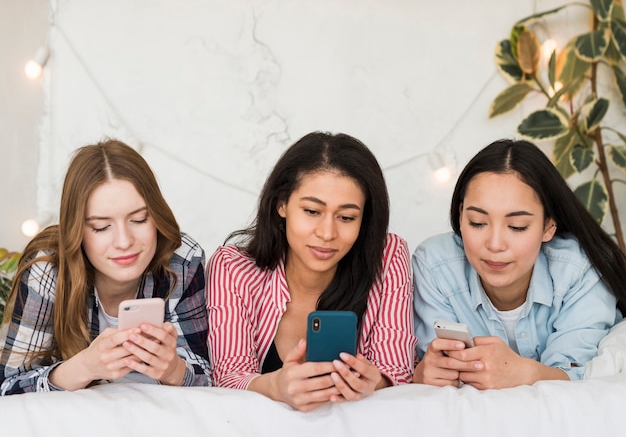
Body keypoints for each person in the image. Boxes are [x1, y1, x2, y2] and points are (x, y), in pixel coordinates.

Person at [207, 131, 416, 412]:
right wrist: (275, 386)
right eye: (312, 211)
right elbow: (227, 377)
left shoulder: (387, 256)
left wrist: (374, 382)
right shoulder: (234, 268)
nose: (327, 233)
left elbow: (399, 371)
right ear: (282, 204)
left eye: (346, 217)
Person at [0, 139, 210, 395]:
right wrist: (84, 367)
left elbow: (209, 381)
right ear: (76, 229)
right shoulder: (49, 267)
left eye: (139, 219)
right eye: (101, 226)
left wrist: (173, 370)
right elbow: (9, 386)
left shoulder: (183, 260)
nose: (124, 242)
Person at [412, 139, 626, 389]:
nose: (494, 244)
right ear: (460, 216)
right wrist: (425, 373)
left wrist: (525, 373)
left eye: (517, 227)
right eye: (477, 222)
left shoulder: (579, 269)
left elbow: (575, 376)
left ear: (548, 227)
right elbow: (439, 369)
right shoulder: (434, 266)